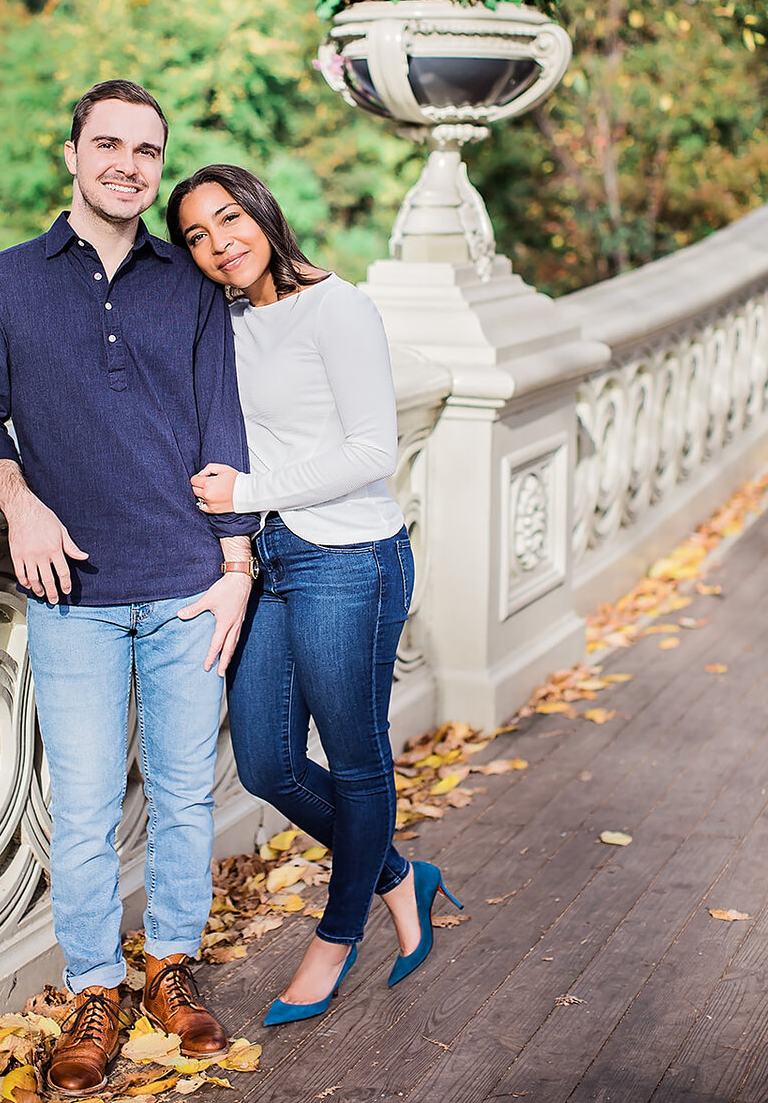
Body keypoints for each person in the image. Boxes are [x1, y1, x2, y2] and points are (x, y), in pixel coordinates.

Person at [0, 82, 259, 1095]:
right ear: (69, 154)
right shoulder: (0, 284)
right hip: (70, 589)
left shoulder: (192, 288)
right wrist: (17, 502)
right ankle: (92, 987)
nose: (129, 164)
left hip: (186, 586)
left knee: (181, 798)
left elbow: (226, 434)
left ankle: (168, 967)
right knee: (80, 807)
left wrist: (238, 566)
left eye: (148, 151)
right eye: (109, 145)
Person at [166, 164, 461, 1027]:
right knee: (266, 764)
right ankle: (404, 876)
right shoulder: (219, 321)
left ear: (263, 211)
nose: (219, 243)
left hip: (349, 558)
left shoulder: (339, 307)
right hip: (264, 560)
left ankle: (337, 937)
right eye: (195, 235)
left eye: (229, 220)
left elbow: (373, 450)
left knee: (358, 759)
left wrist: (250, 491)